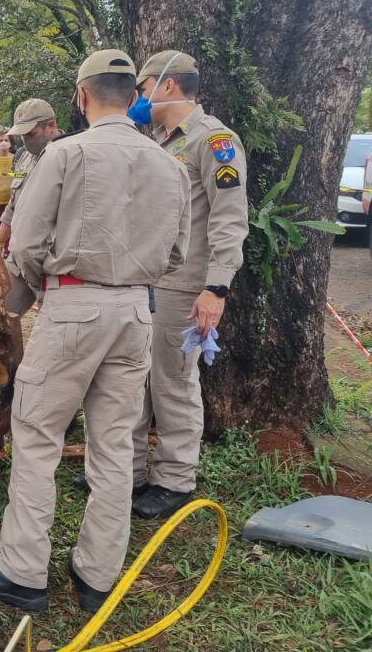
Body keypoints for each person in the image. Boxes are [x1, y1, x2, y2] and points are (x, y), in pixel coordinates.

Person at [0, 49, 191, 613]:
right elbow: (177, 256)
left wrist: (23, 300)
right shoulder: (171, 166)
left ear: (82, 96)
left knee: (37, 434)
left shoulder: (66, 154)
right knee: (114, 444)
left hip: (74, 307)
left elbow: (27, 244)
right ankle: (97, 577)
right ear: (132, 96)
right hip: (136, 312)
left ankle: (22, 573)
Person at [124, 50, 249, 520]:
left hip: (186, 286)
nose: (137, 99)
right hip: (146, 280)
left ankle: (174, 480)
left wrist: (216, 288)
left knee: (173, 380)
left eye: (142, 89)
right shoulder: (156, 140)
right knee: (135, 377)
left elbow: (229, 219)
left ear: (167, 86)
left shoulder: (214, 141)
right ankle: (128, 471)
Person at [0, 99, 63, 251]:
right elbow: (13, 206)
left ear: (51, 125)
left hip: (50, 255)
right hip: (21, 253)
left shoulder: (67, 158)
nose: (26, 140)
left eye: (31, 134)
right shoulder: (24, 157)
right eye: (22, 135)